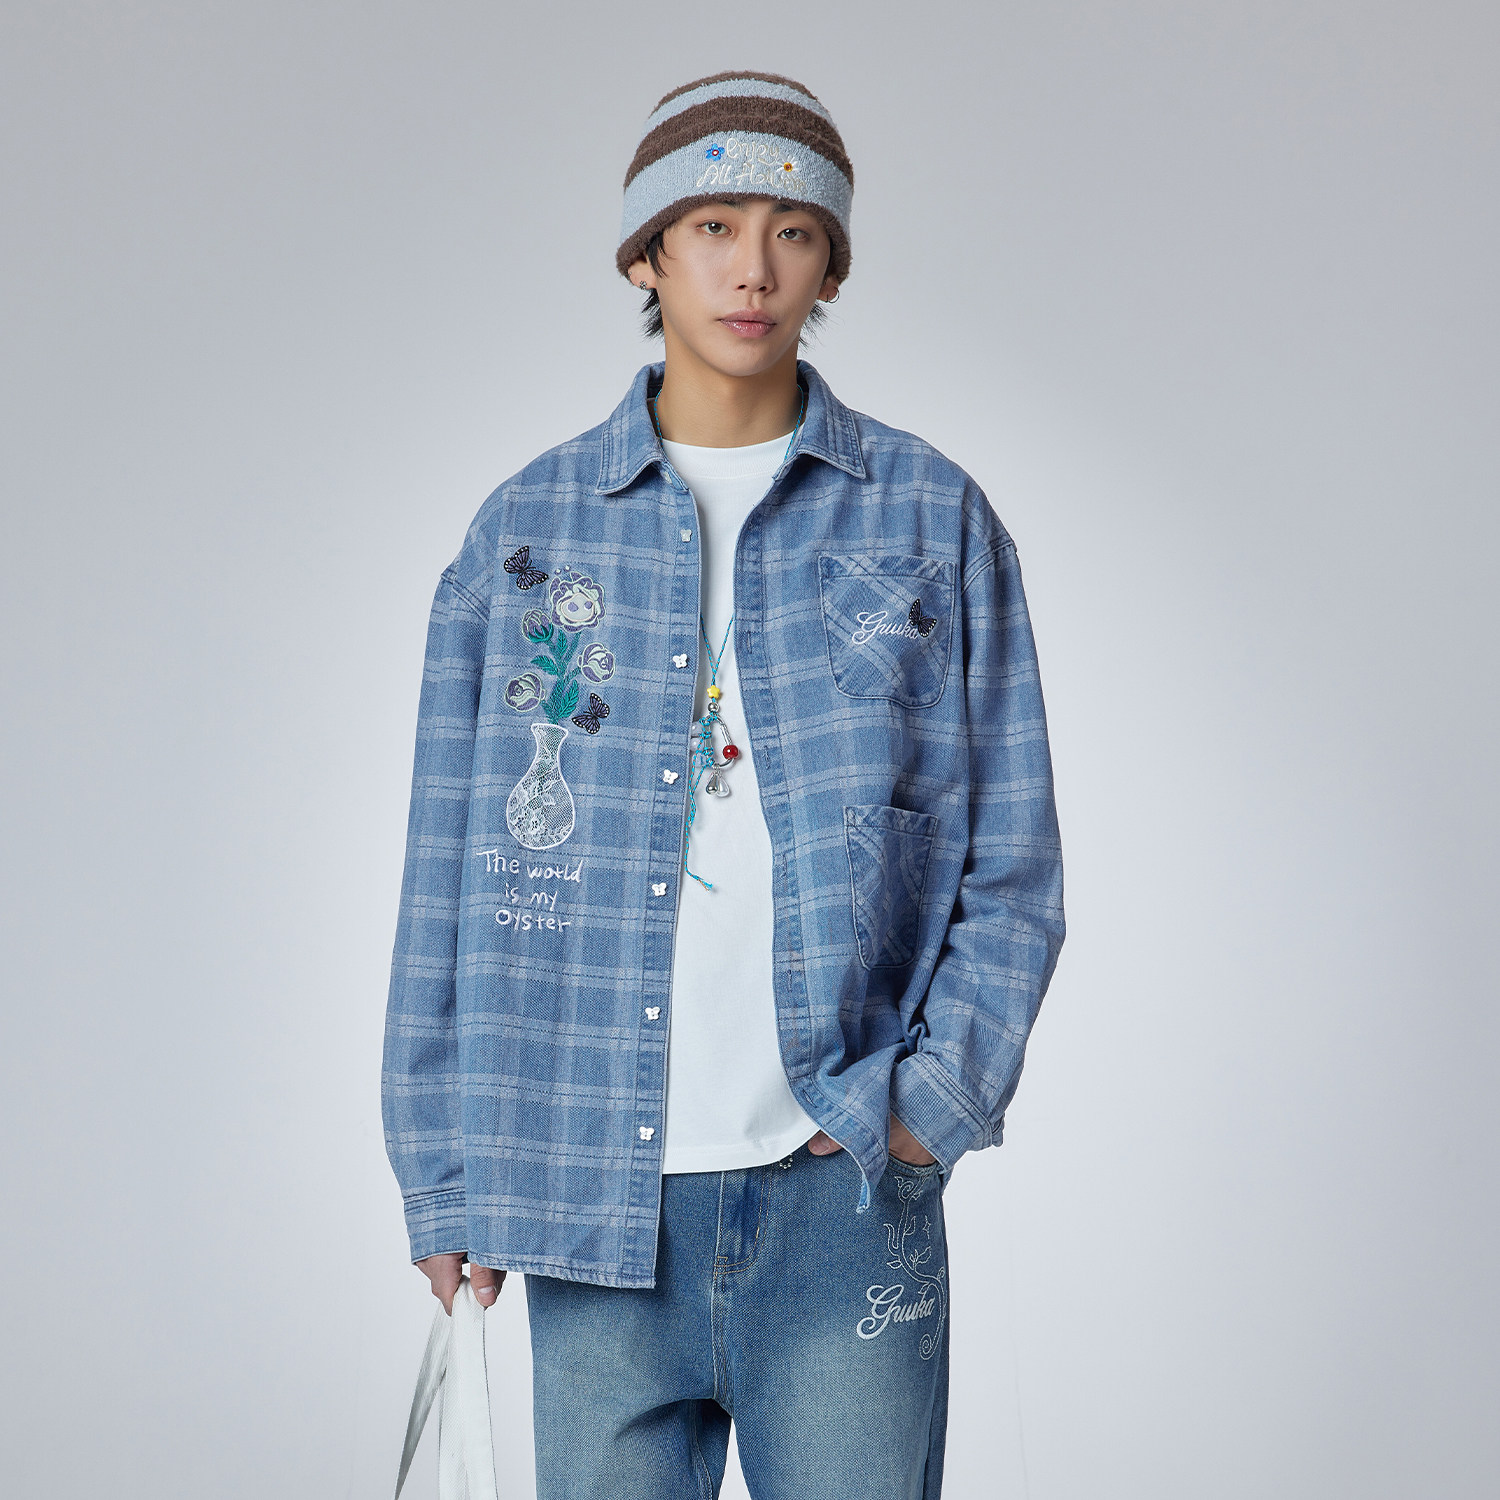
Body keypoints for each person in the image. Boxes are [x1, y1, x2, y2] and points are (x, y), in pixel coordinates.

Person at [381, 69, 1065, 1500]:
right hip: (589, 1205)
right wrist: (442, 1169)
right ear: (647, 254)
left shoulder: (931, 517)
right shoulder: (526, 534)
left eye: (792, 232)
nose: (753, 268)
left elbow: (1012, 861)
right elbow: (445, 870)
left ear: (831, 266)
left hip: (845, 1197)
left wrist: (926, 1105)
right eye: (712, 226)